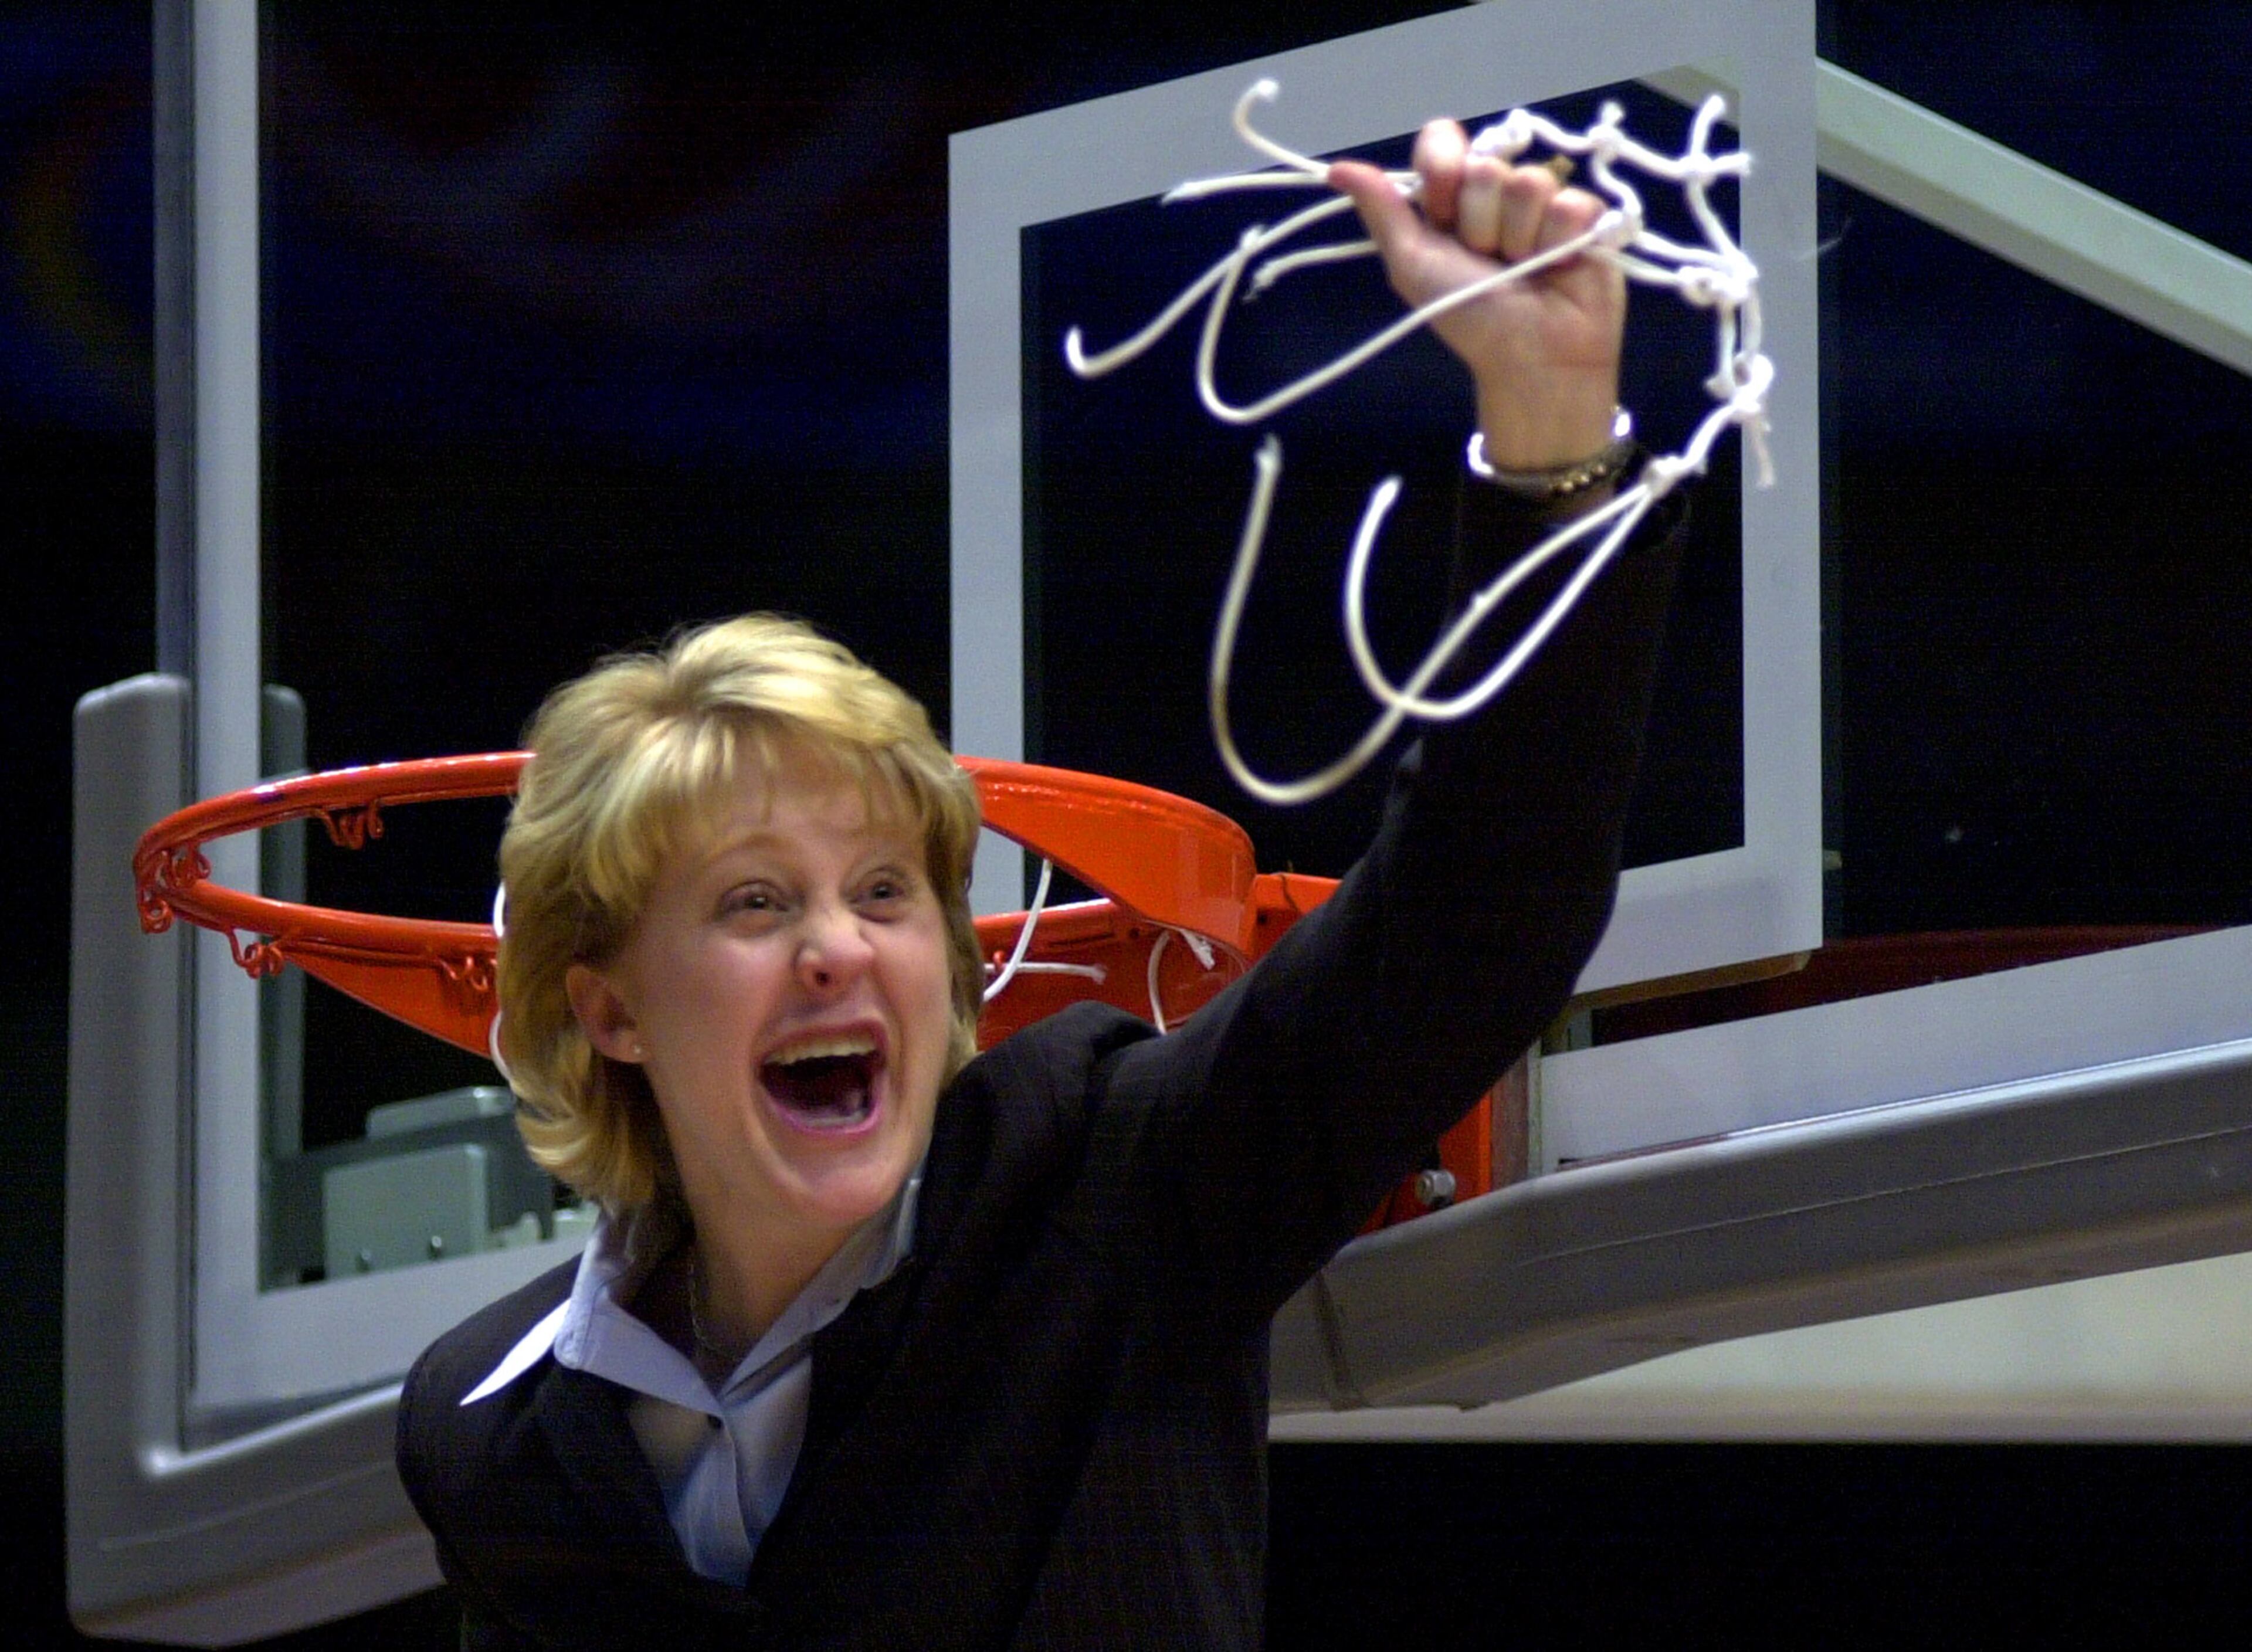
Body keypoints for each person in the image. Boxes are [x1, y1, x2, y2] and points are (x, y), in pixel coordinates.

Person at [398, 123, 1692, 1649]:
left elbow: (1484, 909)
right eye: (756, 902)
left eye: (886, 894)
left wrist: (1550, 437)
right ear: (607, 1007)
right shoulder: (488, 1432)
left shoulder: (1117, 1185)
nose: (835, 948)